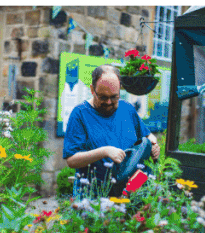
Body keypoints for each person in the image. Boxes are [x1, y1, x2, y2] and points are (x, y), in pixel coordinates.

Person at [63, 65, 160, 197]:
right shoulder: (79, 114)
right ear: (92, 90)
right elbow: (72, 160)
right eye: (103, 97)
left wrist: (154, 145)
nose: (109, 102)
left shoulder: (127, 109)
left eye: (114, 97)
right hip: (94, 197)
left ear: (120, 89)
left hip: (131, 192)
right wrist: (104, 151)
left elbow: (148, 136)